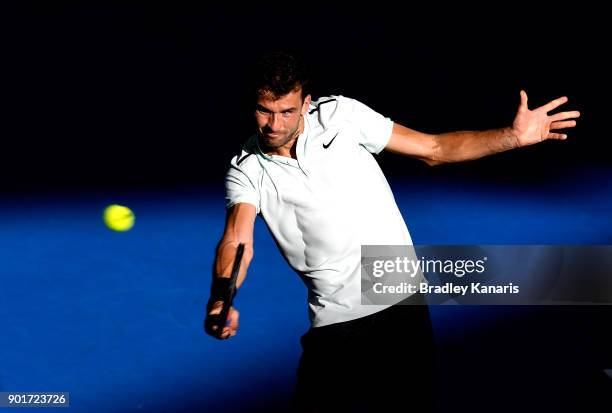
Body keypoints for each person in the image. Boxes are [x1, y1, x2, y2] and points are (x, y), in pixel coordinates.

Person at [204, 51, 580, 412]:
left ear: (306, 103)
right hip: (335, 316)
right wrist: (222, 296)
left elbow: (432, 148)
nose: (275, 125)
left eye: (287, 111)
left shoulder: (342, 115)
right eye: (264, 111)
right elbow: (238, 239)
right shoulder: (247, 169)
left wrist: (511, 137)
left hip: (397, 294)